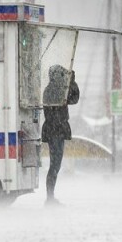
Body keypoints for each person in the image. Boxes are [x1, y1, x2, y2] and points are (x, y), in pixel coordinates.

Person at [41, 65, 80, 205]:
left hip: (54, 129)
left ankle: (50, 196)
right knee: (55, 165)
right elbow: (74, 98)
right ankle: (49, 197)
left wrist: (70, 82)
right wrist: (72, 82)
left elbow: (73, 99)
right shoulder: (56, 90)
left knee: (55, 165)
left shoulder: (50, 89)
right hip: (56, 130)